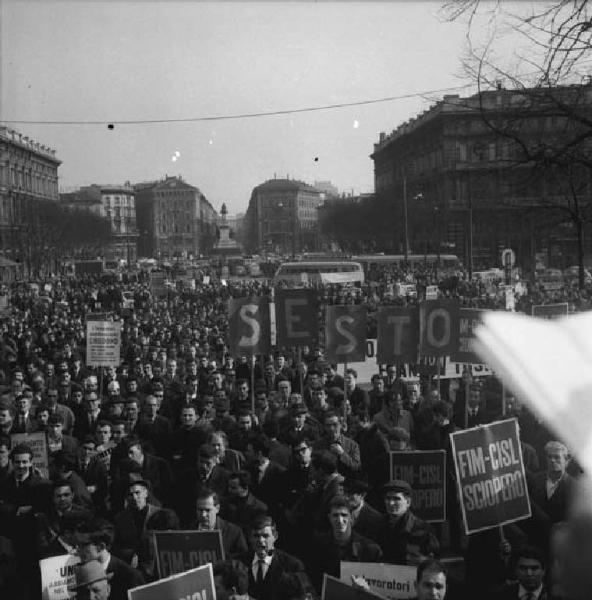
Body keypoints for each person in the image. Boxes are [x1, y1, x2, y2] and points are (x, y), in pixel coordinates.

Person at [309, 495, 382, 590]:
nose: (339, 520)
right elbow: (313, 581)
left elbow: (379, 587)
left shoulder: (370, 549)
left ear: (351, 517)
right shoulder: (318, 547)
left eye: (344, 515)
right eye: (335, 515)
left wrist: (367, 588)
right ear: (329, 518)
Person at [238, 514, 306, 600]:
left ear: (275, 536)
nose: (260, 540)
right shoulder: (239, 563)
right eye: (256, 536)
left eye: (265, 536)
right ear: (249, 538)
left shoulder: (292, 566)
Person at [75, 522, 145, 600]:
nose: (77, 551)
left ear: (101, 547)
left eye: (82, 545)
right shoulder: (81, 572)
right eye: (77, 545)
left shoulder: (131, 577)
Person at [375, 479, 433, 564]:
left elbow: (432, 564)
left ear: (408, 502)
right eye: (388, 498)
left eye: (396, 499)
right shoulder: (377, 524)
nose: (391, 503)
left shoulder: (422, 528)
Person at [192, 488, 248, 558]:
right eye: (200, 510)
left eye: (207, 510)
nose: (203, 514)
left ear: (217, 508)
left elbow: (243, 559)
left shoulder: (234, 532)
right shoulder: (187, 530)